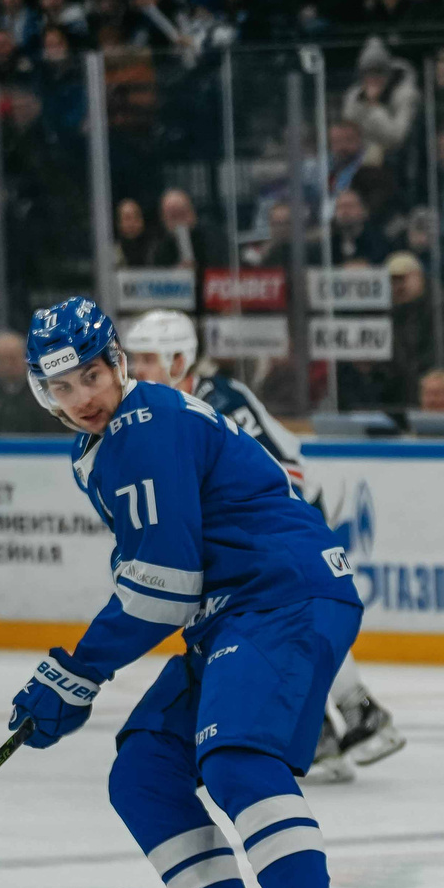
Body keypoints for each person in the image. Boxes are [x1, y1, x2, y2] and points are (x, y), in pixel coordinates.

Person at [10, 298, 394, 888]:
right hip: (227, 613)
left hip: (280, 592)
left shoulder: (145, 426)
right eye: (62, 387)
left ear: (116, 362)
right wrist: (78, 670)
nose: (81, 397)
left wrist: (78, 669)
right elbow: (158, 576)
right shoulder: (102, 448)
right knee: (144, 769)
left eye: (90, 375)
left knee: (234, 755)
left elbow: (163, 584)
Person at [119, 309, 407, 781]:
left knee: (286, 617)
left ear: (179, 360)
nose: (138, 369)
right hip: (242, 534)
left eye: (149, 358)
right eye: (135, 358)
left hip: (287, 520)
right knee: (253, 625)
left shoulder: (223, 402)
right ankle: (320, 732)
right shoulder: (154, 414)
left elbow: (282, 472)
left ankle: (359, 711)